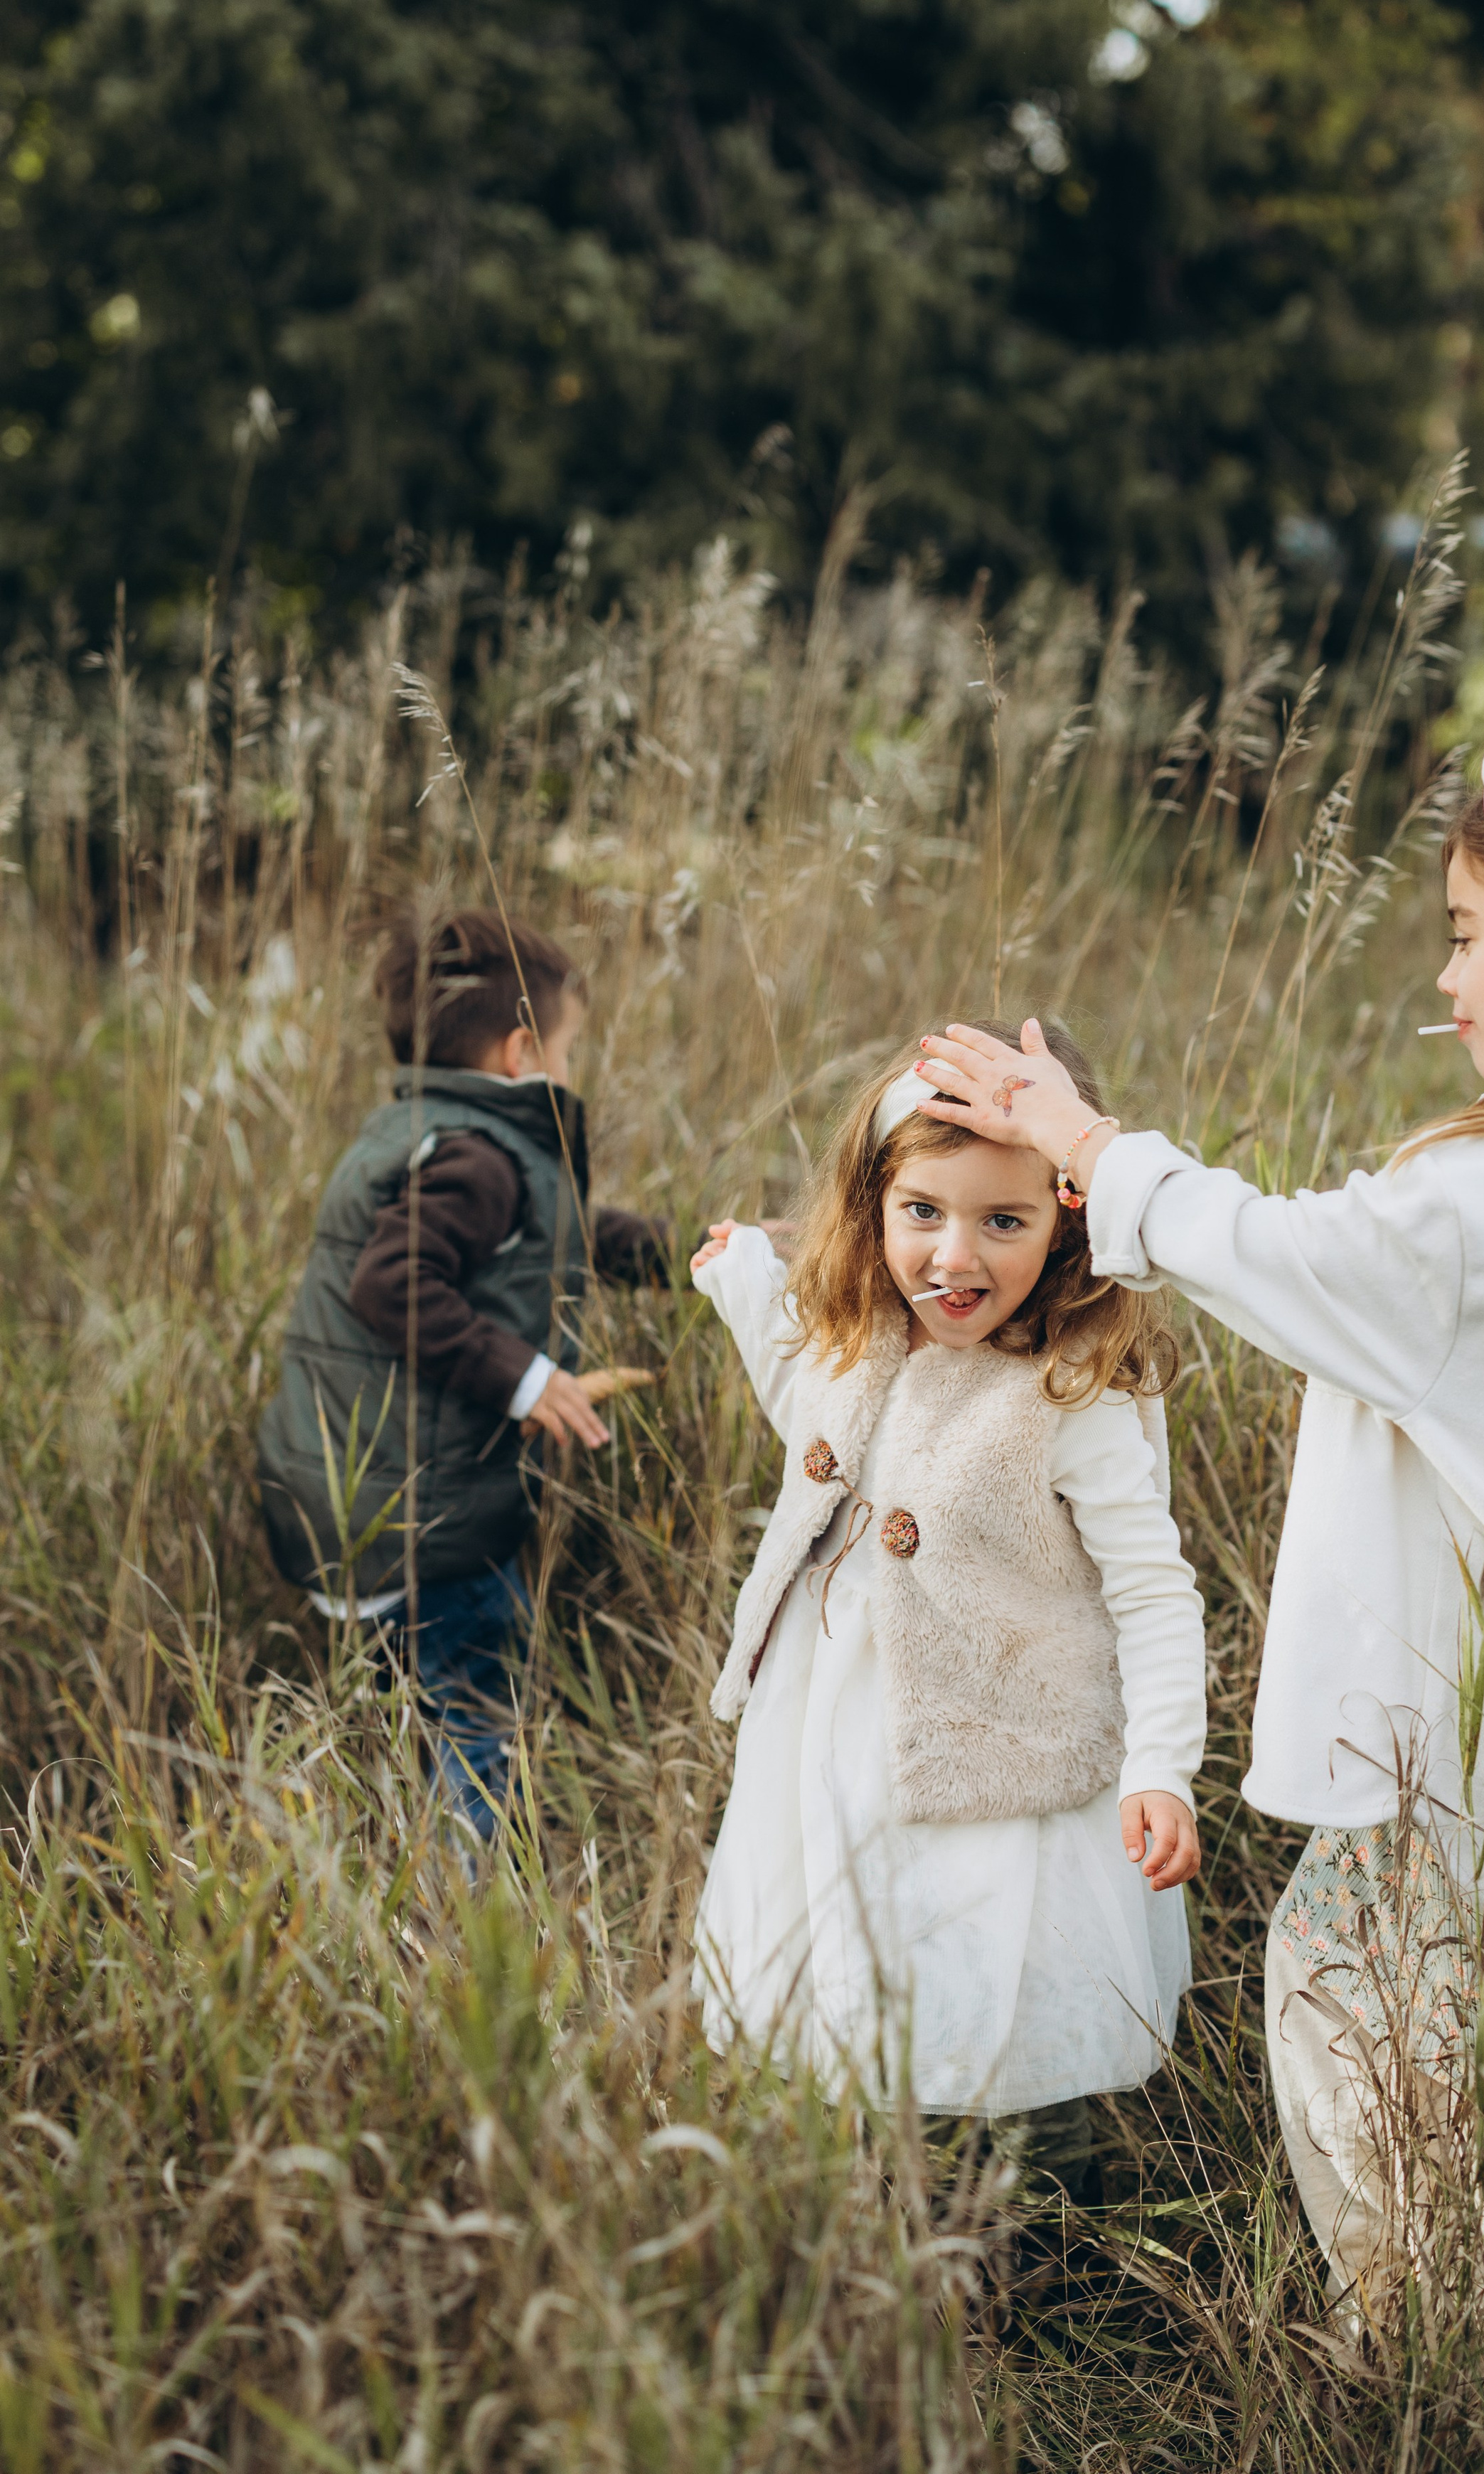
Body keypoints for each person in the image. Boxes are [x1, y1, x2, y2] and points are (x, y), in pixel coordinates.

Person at [915, 745, 1484, 2312]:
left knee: (1387, 2073)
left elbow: (1270, 1254)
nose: (1442, 975)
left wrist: (1082, 1144)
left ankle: (1435, 2364)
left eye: (1465, 931)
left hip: (1469, 1766)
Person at [689, 1020, 1206, 2205]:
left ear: (1070, 1217)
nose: (953, 1257)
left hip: (1005, 1750)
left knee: (996, 1981)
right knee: (862, 1956)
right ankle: (884, 2206)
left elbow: (1153, 1590)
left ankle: (1034, 2242)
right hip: (843, 1728)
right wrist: (744, 1287)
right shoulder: (866, 1342)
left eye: (1003, 1222)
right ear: (874, 1207)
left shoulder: (1073, 1391)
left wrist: (1164, 1764)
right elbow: (811, 1417)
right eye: (922, 1212)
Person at [257, 907, 668, 1838]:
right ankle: (470, 1929)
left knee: (414, 1706)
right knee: (481, 1716)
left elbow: (547, 1238)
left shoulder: (425, 1128)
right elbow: (392, 1282)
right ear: (523, 1053)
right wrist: (528, 1379)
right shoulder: (483, 1155)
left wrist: (683, 1258)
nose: (571, 1070)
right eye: (569, 1050)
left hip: (346, 1493)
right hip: (423, 1518)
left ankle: (394, 1855)